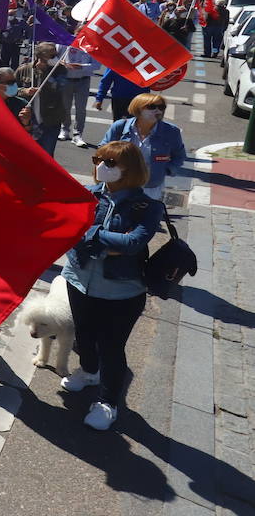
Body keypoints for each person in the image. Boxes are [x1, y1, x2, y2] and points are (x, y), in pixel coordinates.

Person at [60, 140, 162, 431]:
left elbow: (132, 244)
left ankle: (108, 402)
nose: (100, 167)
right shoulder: (88, 195)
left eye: (110, 163)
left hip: (122, 291)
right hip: (79, 281)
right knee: (83, 334)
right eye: (97, 160)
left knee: (111, 347)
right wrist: (106, 241)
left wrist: (88, 232)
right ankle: (89, 372)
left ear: (129, 169)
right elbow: (68, 228)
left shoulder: (147, 206)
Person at [100, 93, 186, 201]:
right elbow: (102, 150)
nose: (157, 111)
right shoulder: (120, 127)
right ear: (138, 108)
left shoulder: (171, 132)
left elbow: (179, 156)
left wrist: (166, 170)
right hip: (120, 183)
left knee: (145, 216)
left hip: (151, 187)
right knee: (118, 216)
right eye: (152, 107)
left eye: (161, 107)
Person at [17, 42, 67, 156]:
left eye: (55, 55)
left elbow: (59, 87)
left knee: (46, 155)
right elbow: (12, 90)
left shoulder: (60, 70)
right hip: (28, 121)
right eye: (51, 55)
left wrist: (45, 73)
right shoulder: (24, 69)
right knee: (27, 155)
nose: (55, 58)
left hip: (50, 121)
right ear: (40, 57)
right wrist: (24, 91)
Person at [58, 40, 98, 148]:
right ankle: (64, 129)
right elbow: (54, 59)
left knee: (81, 109)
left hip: (83, 81)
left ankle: (78, 134)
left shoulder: (91, 46)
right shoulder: (64, 43)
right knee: (65, 106)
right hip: (66, 80)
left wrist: (81, 66)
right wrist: (62, 63)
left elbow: (96, 65)